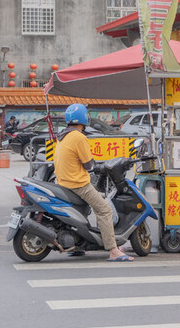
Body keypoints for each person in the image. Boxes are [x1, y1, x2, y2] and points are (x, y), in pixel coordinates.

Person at [54, 103, 132, 262]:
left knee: (84, 211)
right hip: (77, 184)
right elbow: (90, 165)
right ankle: (113, 250)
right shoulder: (78, 137)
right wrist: (101, 167)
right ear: (84, 118)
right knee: (104, 210)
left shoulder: (63, 136)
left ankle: (77, 247)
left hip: (63, 182)